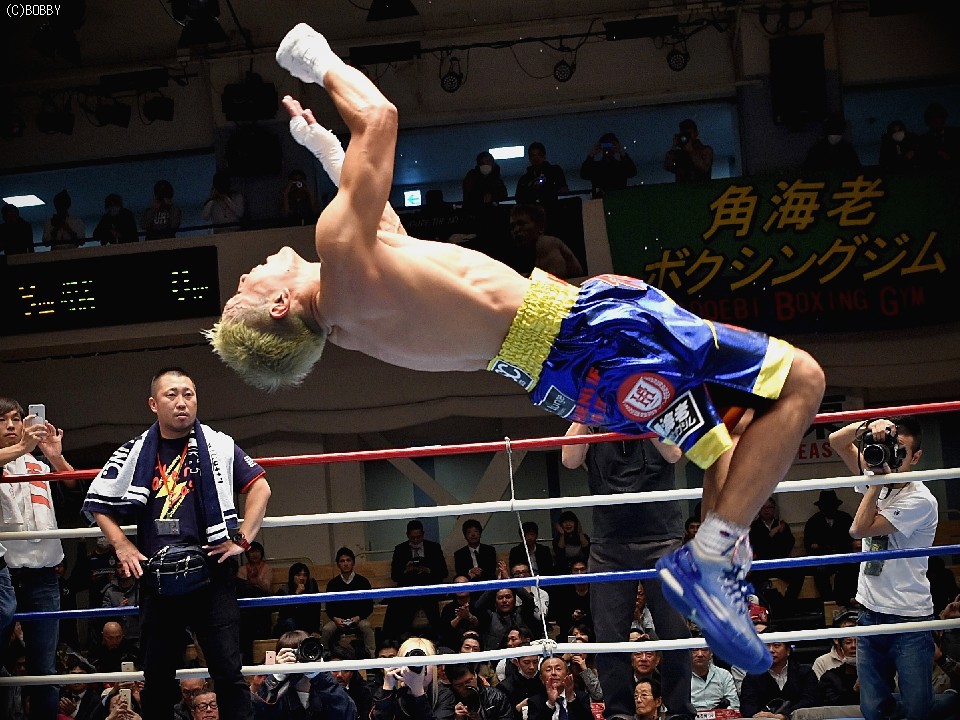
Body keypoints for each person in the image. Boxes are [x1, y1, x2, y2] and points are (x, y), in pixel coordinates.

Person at [207, 22, 827, 675]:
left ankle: (720, 572)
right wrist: (315, 57)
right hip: (590, 335)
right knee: (803, 380)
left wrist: (323, 147)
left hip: (566, 373)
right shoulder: (341, 257)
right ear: (279, 306)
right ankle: (711, 559)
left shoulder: (352, 313)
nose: (246, 272)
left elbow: (384, 228)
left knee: (729, 439)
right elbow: (380, 118)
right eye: (244, 289)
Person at [82, 366, 272, 720]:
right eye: (172, 395)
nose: (182, 402)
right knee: (157, 678)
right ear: (154, 404)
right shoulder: (135, 450)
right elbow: (97, 502)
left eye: (189, 394)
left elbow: (260, 486)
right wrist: (121, 544)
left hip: (212, 570)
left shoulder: (218, 444)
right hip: (157, 576)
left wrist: (243, 539)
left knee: (228, 673)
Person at [561, 425, 692, 720]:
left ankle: (679, 712)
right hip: (609, 544)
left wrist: (643, 411)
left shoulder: (655, 407)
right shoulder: (593, 416)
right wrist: (588, 409)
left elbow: (673, 453)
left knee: (674, 630)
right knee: (609, 635)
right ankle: (619, 713)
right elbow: (569, 459)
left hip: (661, 538)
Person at [829, 415, 938, 720]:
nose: (893, 456)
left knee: (918, 710)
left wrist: (876, 482)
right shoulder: (875, 473)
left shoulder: (921, 499)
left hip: (909, 616)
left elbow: (858, 529)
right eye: (891, 447)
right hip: (869, 612)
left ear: (915, 457)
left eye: (901, 451)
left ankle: (951, 702)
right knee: (873, 708)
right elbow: (837, 441)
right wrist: (870, 426)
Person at [1, 397, 77, 720]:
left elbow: (75, 490)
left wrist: (56, 458)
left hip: (43, 575)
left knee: (44, 669)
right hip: (4, 574)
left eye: (16, 419)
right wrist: (22, 447)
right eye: (2, 420)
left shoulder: (40, 465)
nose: (10, 426)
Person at [254, 629, 358, 720]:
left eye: (304, 651)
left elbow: (348, 714)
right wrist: (277, 676)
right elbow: (257, 714)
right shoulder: (276, 691)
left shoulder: (327, 685)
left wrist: (320, 674)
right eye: (293, 653)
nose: (298, 658)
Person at [383, 519, 449, 642]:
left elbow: (443, 572)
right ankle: (395, 637)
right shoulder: (400, 549)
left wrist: (428, 570)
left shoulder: (434, 547)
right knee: (396, 602)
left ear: (423, 535)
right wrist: (406, 570)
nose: (415, 540)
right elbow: (395, 576)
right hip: (409, 588)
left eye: (418, 537)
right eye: (412, 538)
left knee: (428, 600)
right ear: (407, 535)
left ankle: (439, 637)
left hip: (429, 587)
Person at [738, 635, 818, 719]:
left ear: (788, 651)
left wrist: (784, 715)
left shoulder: (805, 672)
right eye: (766, 646)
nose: (771, 650)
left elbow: (810, 700)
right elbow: (747, 706)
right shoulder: (753, 676)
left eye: (776, 645)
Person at [749, 496, 803, 615]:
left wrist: (777, 536)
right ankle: (761, 611)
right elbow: (758, 548)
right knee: (753, 579)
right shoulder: (754, 527)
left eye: (769, 507)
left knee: (798, 575)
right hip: (763, 565)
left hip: (780, 563)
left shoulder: (782, 526)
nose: (767, 510)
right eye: (763, 508)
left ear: (774, 509)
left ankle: (787, 606)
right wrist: (771, 535)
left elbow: (787, 546)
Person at [803, 490, 857, 607]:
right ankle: (828, 602)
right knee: (820, 571)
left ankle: (846, 601)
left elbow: (853, 539)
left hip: (843, 557)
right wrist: (823, 547)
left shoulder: (845, 518)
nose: (830, 509)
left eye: (832, 506)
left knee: (850, 568)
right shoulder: (814, 522)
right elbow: (809, 544)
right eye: (826, 506)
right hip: (822, 559)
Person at [321, 547, 376, 658]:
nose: (345, 564)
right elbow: (329, 607)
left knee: (367, 627)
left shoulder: (363, 581)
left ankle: (372, 657)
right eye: (342, 561)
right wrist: (336, 619)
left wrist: (359, 617)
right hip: (338, 621)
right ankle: (323, 656)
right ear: (338, 564)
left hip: (358, 620)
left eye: (348, 560)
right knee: (327, 629)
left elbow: (369, 605)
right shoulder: (332, 584)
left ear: (353, 563)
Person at [371, 637, 440, 720]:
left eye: (423, 663)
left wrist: (418, 692)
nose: (418, 667)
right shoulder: (393, 694)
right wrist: (387, 688)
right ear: (400, 666)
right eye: (411, 663)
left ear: (434, 667)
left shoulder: (443, 694)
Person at [508, 204, 583, 279]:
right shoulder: (527, 253)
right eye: (512, 227)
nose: (516, 230)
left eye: (522, 224)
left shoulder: (547, 242)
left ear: (540, 227)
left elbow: (553, 281)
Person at [437, 662, 513, 720]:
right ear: (452, 684)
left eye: (468, 681)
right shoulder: (447, 701)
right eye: (459, 685)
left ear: (475, 675)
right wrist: (453, 717)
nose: (465, 687)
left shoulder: (496, 697)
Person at [525, 656, 593, 720]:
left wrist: (571, 698)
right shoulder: (535, 701)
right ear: (541, 678)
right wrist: (550, 704)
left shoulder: (581, 697)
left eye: (558, 669)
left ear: (567, 673)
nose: (553, 673)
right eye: (548, 670)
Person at [475, 586, 539, 652]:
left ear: (514, 600)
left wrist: (511, 583)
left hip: (522, 655)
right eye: (500, 598)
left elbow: (529, 600)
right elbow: (478, 607)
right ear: (495, 602)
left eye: (508, 597)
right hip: (495, 657)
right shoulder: (489, 617)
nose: (504, 601)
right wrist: (496, 585)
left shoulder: (523, 614)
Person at [579, 133, 637, 197]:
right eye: (605, 145)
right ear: (601, 147)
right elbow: (583, 174)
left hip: (617, 199)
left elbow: (632, 172)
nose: (608, 148)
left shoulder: (621, 166)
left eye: (611, 145)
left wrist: (622, 152)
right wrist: (591, 154)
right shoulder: (595, 167)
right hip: (604, 200)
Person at [101, 557, 142, 646]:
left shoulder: (141, 590)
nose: (123, 569)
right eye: (119, 566)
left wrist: (130, 609)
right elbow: (105, 617)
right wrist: (119, 609)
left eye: (126, 565)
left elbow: (147, 614)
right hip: (115, 641)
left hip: (138, 638)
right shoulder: (109, 591)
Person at [514, 142, 568, 206]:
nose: (536, 158)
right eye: (532, 155)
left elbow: (563, 189)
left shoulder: (555, 170)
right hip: (532, 210)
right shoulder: (524, 179)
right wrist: (531, 189)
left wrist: (547, 186)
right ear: (529, 159)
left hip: (551, 208)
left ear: (544, 156)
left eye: (539, 154)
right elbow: (518, 199)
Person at [275, 562, 322, 635]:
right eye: (298, 575)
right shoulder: (284, 590)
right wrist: (296, 594)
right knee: (290, 622)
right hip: (290, 624)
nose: (302, 578)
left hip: (307, 623)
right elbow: (285, 614)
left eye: (305, 575)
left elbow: (316, 610)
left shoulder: (312, 586)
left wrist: (315, 630)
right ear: (292, 576)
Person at [690, 645, 739, 713]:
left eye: (704, 650)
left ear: (711, 653)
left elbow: (734, 703)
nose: (700, 654)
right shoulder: (680, 677)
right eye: (695, 650)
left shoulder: (724, 674)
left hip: (720, 715)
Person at [917, 102, 960, 177]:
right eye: (932, 118)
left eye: (938, 117)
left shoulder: (955, 134)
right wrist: (936, 153)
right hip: (934, 176)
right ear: (928, 121)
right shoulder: (924, 139)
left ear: (943, 119)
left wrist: (951, 158)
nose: (936, 121)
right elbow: (922, 158)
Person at [438, 576, 481, 650]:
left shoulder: (478, 605)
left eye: (464, 584)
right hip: (453, 646)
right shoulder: (448, 608)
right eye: (457, 585)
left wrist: (469, 616)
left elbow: (483, 625)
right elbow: (445, 631)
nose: (461, 587)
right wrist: (459, 618)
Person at [818, 636, 859, 706]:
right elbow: (830, 705)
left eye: (858, 642)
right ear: (841, 647)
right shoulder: (829, 678)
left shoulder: (876, 675)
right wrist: (855, 690)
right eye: (848, 642)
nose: (853, 646)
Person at [453, 519, 498, 584]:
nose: (473, 535)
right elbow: (460, 572)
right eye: (469, 532)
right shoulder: (459, 554)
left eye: (476, 531)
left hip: (487, 581)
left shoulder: (490, 550)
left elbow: (491, 569)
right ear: (465, 536)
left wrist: (479, 571)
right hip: (469, 582)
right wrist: (470, 571)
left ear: (480, 534)